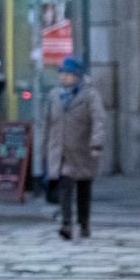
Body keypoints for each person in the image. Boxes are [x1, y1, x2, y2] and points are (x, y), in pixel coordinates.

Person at [44, 57, 106, 240]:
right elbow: (47, 123)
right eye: (62, 73)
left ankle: (83, 222)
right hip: (61, 150)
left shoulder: (90, 95)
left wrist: (96, 143)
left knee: (83, 189)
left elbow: (99, 120)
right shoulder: (54, 95)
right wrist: (45, 150)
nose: (65, 77)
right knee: (65, 186)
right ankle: (66, 224)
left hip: (82, 149)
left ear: (78, 76)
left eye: (69, 74)